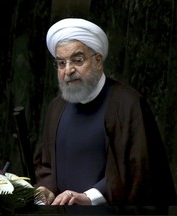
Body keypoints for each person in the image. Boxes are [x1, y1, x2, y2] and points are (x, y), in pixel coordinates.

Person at [33, 18, 177, 206]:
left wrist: (89, 198)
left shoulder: (128, 104)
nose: (68, 70)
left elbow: (140, 171)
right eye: (61, 63)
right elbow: (47, 166)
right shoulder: (56, 107)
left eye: (77, 60)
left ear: (98, 60)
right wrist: (47, 189)